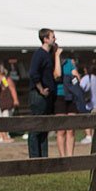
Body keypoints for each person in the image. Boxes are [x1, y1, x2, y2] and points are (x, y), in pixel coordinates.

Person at [27, 28, 57, 158]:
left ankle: (43, 159)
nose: (54, 39)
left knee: (44, 128)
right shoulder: (39, 54)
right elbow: (33, 73)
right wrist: (40, 89)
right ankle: (34, 159)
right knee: (36, 128)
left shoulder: (48, 55)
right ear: (45, 39)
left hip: (47, 96)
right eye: (52, 37)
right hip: (38, 96)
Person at [53, 48, 83, 157]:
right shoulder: (52, 62)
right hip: (59, 96)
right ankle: (62, 157)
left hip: (71, 96)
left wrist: (74, 78)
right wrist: (56, 57)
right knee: (61, 130)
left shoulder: (69, 62)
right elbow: (57, 75)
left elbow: (77, 77)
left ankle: (70, 156)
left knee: (71, 128)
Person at [0, 62, 19, 143]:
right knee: (0, 119)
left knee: (3, 118)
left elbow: (8, 88)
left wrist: (15, 100)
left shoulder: (4, 79)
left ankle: (4, 136)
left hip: (5, 103)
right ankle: (3, 137)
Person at [79, 64, 96, 144]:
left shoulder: (86, 78)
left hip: (88, 103)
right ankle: (94, 136)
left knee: (87, 120)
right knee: (95, 120)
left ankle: (88, 136)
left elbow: (81, 88)